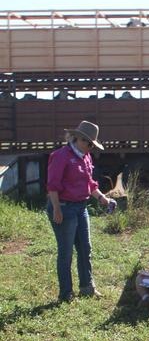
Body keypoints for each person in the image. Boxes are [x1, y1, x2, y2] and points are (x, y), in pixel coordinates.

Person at [46, 121, 116, 302]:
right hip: (63, 207)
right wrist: (56, 209)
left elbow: (90, 184)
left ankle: (87, 287)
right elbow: (52, 185)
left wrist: (102, 198)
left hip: (80, 207)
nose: (91, 147)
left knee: (85, 248)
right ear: (79, 139)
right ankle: (66, 294)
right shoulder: (61, 156)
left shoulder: (86, 157)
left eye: (93, 144)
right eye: (89, 143)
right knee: (66, 251)